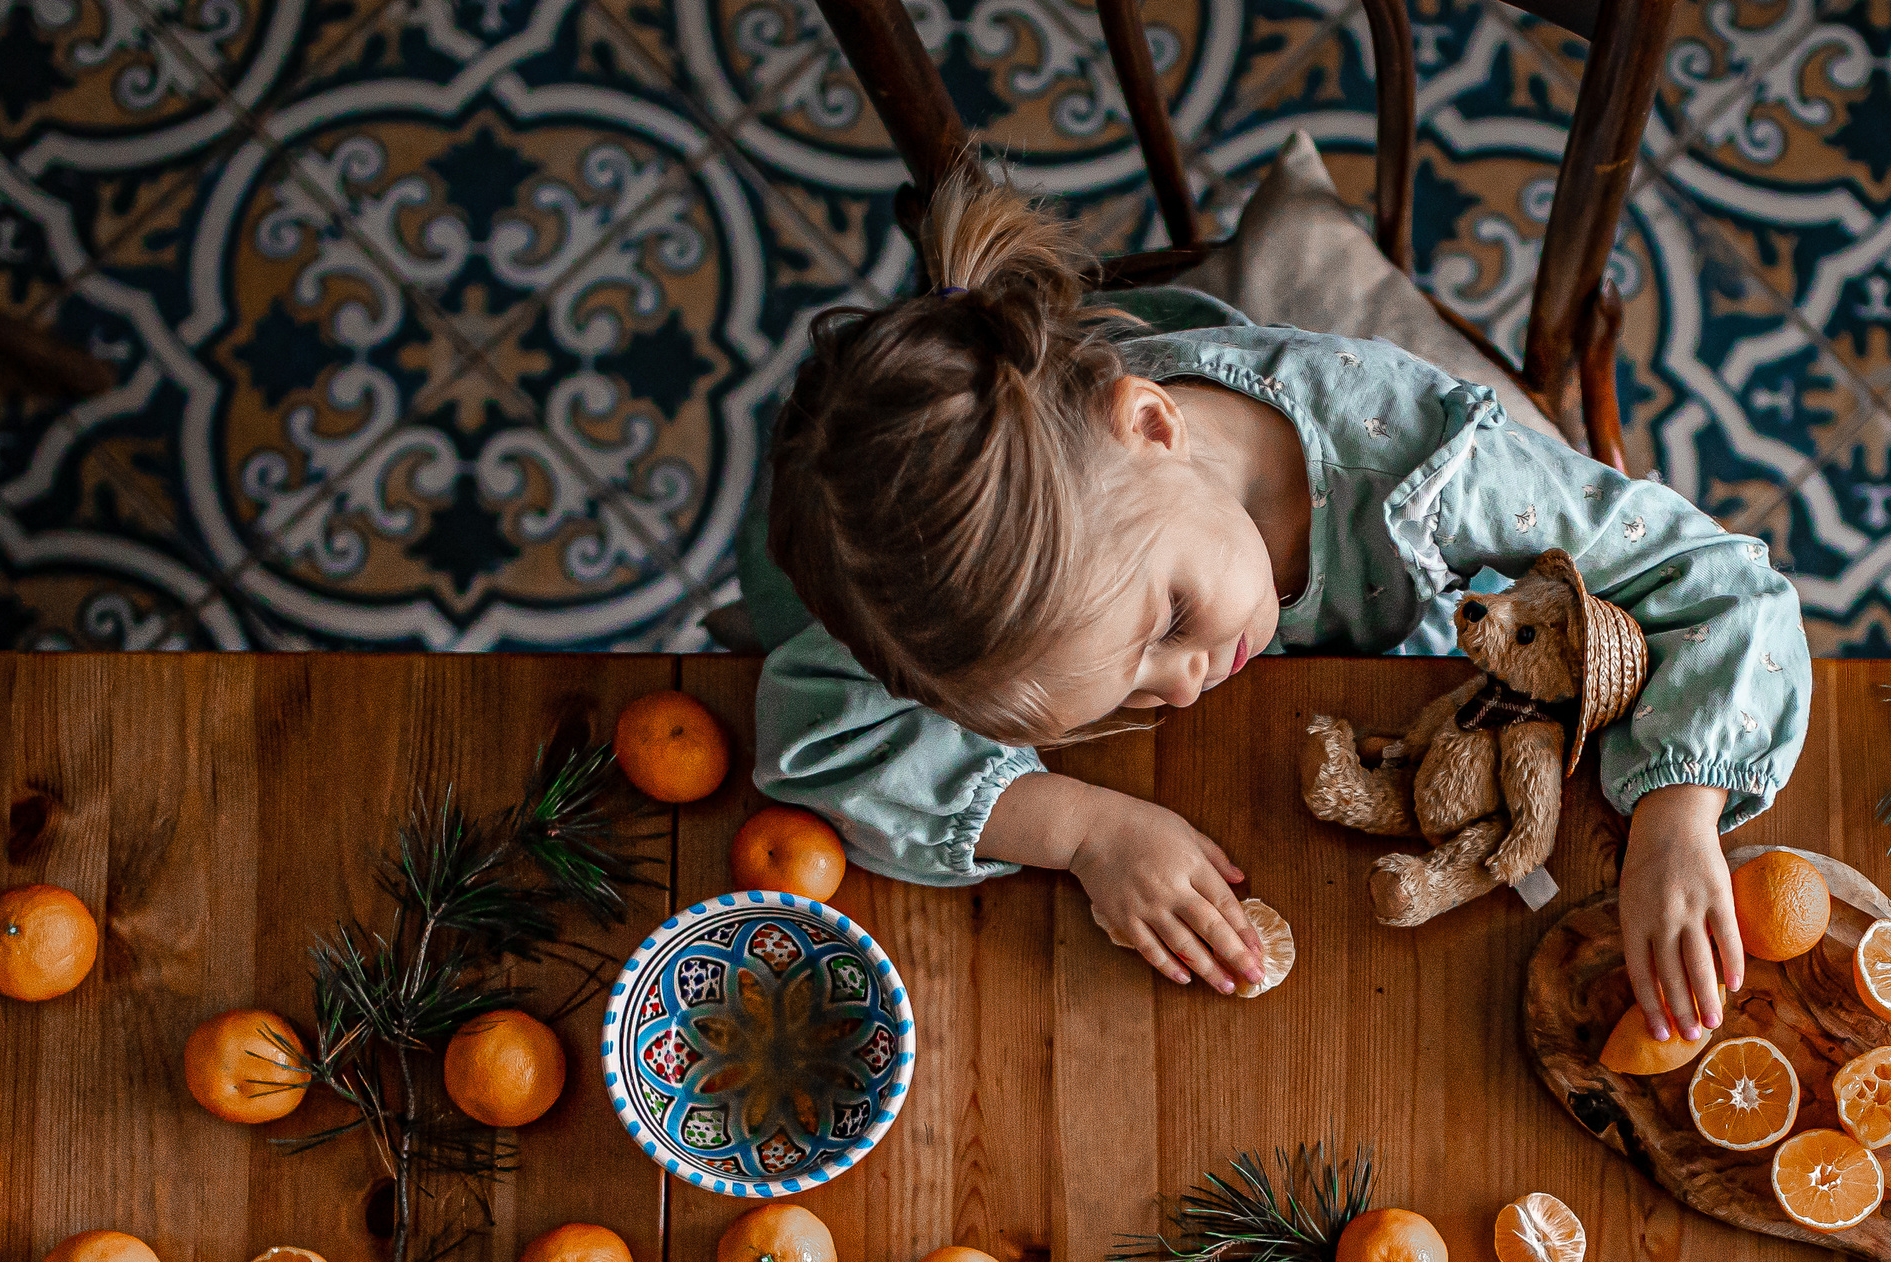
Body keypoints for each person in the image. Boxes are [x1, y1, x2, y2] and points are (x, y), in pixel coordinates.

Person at [743, 168, 1808, 1044]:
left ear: (1153, 425)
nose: (1182, 688)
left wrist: (1675, 816)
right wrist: (1078, 827)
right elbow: (814, 734)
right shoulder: (1017, 586)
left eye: (1165, 625)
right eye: (1117, 695)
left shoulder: (1421, 465)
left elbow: (1718, 583)